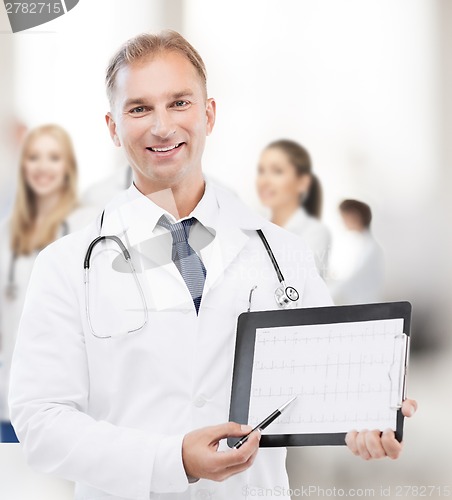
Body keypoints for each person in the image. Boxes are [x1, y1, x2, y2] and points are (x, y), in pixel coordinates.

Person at [9, 31, 417, 500]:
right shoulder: (65, 266)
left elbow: (323, 385)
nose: (162, 127)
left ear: (209, 114)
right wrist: (173, 459)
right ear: (112, 126)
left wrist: (365, 417)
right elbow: (40, 423)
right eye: (139, 108)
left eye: (179, 103)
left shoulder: (282, 254)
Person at [0, 124, 97, 442]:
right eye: (34, 157)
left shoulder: (89, 225)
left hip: (68, 407)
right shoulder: (7, 232)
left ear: (68, 167)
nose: (42, 167)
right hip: (8, 404)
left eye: (53, 158)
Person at [256, 139, 331, 278]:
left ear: (302, 182)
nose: (264, 181)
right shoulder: (254, 227)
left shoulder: (315, 233)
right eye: (261, 171)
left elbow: (298, 283)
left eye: (277, 171)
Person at [329, 199, 385, 305]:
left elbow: (351, 282)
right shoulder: (358, 245)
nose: (342, 222)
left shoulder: (370, 249)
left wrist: (325, 293)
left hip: (365, 308)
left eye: (344, 217)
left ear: (355, 216)